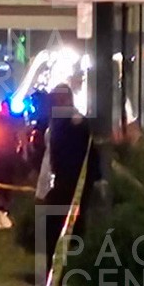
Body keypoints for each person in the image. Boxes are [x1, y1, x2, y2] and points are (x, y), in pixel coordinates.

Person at [36, 84, 101, 266]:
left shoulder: (75, 123)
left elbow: (82, 157)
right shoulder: (57, 123)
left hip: (69, 187)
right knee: (55, 231)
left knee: (66, 230)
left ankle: (66, 271)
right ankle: (54, 270)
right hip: (59, 186)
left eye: (55, 101)